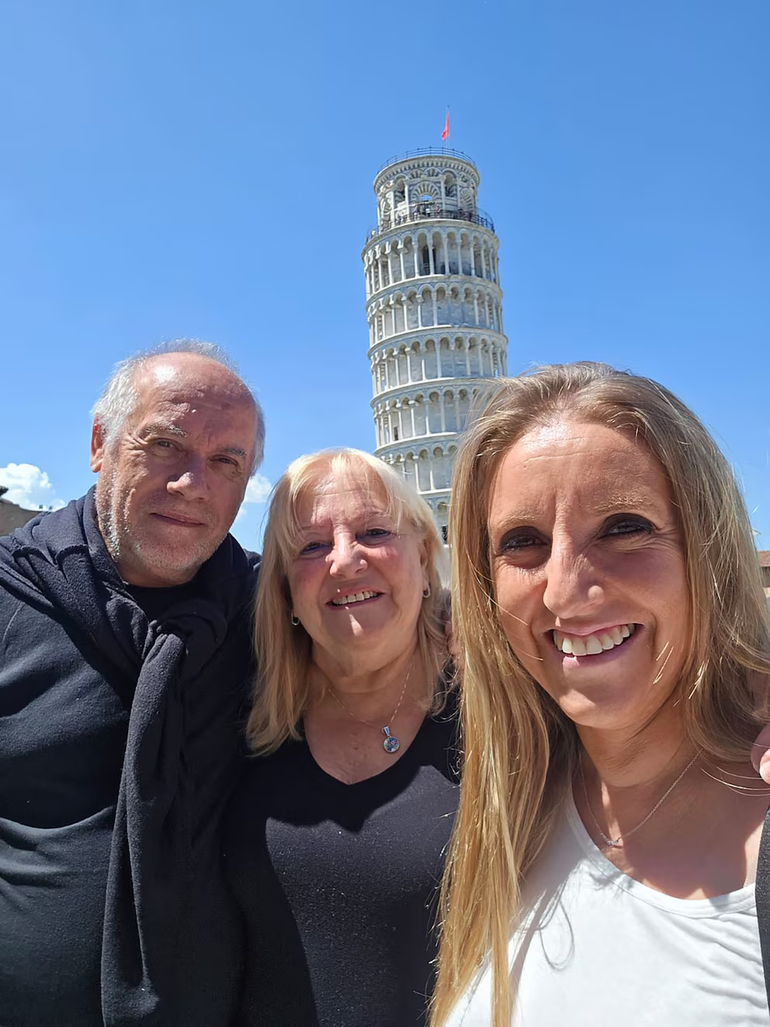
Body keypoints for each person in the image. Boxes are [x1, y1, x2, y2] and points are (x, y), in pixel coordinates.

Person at [431, 363, 770, 1027]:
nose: (564, 589)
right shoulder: (509, 815)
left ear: (707, 548)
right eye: (521, 542)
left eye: (623, 526)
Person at [0, 341, 264, 1027]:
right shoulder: (11, 591)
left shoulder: (272, 613)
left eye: (225, 461)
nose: (191, 484)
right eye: (165, 445)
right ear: (99, 443)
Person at [222, 448, 458, 1026]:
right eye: (312, 545)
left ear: (424, 557)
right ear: (284, 589)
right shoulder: (237, 717)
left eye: (375, 532)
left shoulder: (502, 716)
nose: (346, 560)